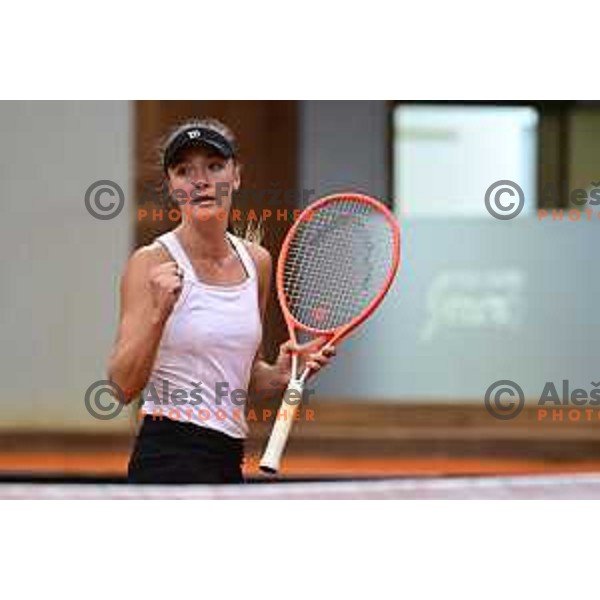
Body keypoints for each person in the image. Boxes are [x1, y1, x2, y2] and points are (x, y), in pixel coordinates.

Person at [107, 118, 335, 484]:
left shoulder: (257, 262)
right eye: (184, 171)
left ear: (237, 176)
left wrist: (278, 374)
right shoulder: (150, 262)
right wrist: (157, 315)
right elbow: (121, 386)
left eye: (214, 166)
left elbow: (240, 373)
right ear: (171, 186)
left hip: (228, 461)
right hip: (166, 459)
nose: (201, 181)